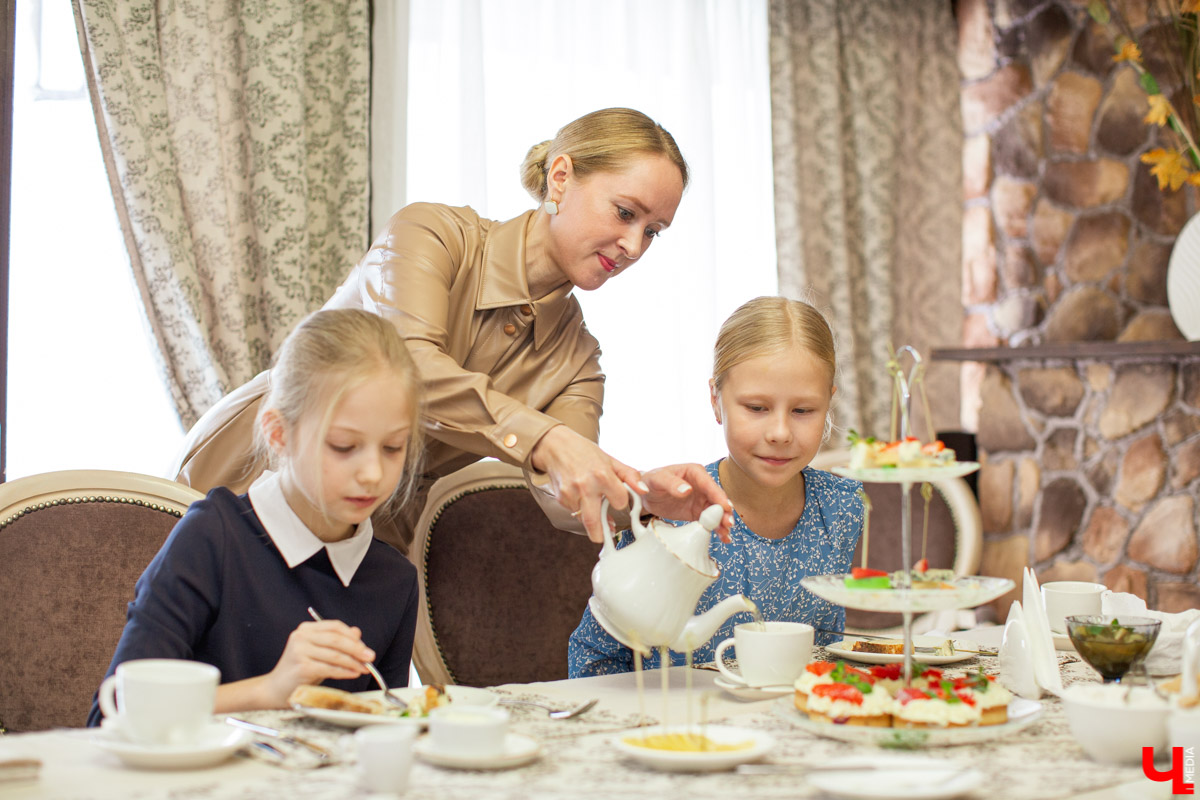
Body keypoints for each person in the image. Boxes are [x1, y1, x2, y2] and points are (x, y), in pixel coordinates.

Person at [171, 107, 732, 552]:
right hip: (251, 482)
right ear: (561, 177)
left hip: (368, 536)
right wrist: (543, 438)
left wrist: (643, 496)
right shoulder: (432, 234)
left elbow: (567, 494)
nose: (634, 247)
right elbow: (409, 365)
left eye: (654, 232)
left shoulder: (578, 362)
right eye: (626, 213)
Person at [89, 309, 424, 724]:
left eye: (393, 448)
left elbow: (381, 731)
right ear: (279, 433)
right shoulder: (212, 538)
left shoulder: (394, 580)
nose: (373, 473)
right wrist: (271, 690)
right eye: (342, 446)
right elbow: (112, 716)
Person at [568, 296, 864, 677]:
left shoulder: (842, 506)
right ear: (715, 400)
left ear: (829, 402)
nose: (779, 432)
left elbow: (827, 644)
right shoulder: (673, 509)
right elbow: (596, 653)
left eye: (803, 410)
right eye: (756, 408)